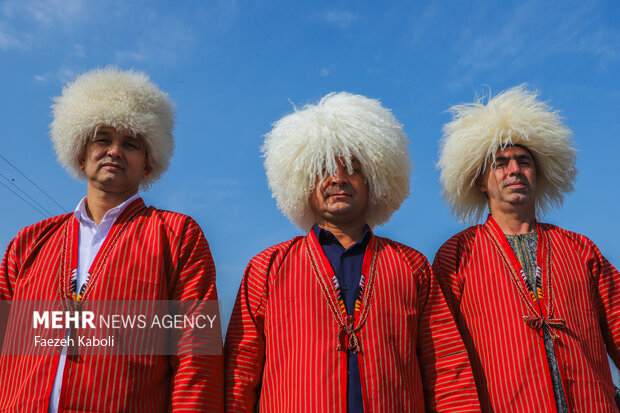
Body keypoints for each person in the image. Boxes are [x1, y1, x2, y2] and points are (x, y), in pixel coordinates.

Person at [225, 92, 480, 412]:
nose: (338, 178)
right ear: (302, 182)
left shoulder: (413, 267)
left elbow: (447, 369)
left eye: (353, 168)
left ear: (376, 180)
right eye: (324, 169)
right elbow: (240, 374)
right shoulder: (267, 268)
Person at [0, 67, 223, 412]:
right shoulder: (29, 242)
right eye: (102, 139)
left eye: (131, 144)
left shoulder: (178, 235)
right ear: (80, 153)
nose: (115, 151)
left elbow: (196, 352)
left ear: (148, 165)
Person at [433, 85, 620, 412]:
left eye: (523, 161)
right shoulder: (456, 255)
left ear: (538, 173)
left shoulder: (579, 248)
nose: (514, 170)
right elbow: (446, 358)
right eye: (500, 163)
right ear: (480, 181)